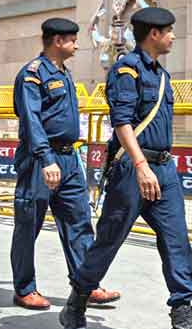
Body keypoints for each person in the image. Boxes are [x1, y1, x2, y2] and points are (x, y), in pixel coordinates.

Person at [60, 7, 192, 329]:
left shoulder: (161, 74)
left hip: (164, 169)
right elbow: (121, 121)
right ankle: (75, 306)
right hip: (133, 170)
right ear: (153, 34)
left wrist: (156, 167)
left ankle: (182, 327)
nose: (173, 37)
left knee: (177, 242)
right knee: (108, 241)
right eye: (169, 31)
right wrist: (139, 164)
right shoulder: (126, 70)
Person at [11, 18, 121, 310]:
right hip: (40, 160)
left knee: (79, 221)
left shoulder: (64, 73)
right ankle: (24, 288)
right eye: (72, 40)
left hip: (69, 159)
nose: (77, 44)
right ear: (57, 41)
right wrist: (46, 159)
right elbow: (31, 120)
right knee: (28, 224)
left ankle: (86, 284)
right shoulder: (32, 75)